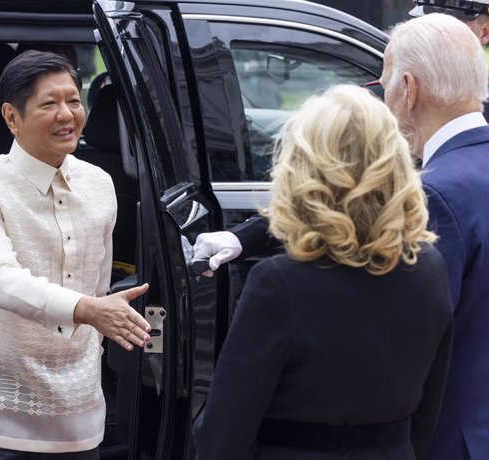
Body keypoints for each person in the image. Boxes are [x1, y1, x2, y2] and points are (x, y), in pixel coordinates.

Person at [192, 84, 454, 460]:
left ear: (302, 169)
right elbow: (428, 413)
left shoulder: (280, 284)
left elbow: (224, 434)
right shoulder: (430, 268)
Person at [0, 50, 152, 459]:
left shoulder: (101, 184)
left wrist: (95, 311)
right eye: (49, 104)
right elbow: (1, 281)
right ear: (11, 117)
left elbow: (98, 283)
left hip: (80, 411)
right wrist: (89, 309)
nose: (67, 114)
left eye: (73, 100)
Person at [192, 0, 489, 271]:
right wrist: (244, 237)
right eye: (430, 24)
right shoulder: (374, 104)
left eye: (449, 27)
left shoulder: (448, 167)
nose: (439, 37)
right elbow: (329, 189)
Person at [380, 13, 489, 460]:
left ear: (409, 89)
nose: (383, 96)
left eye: (384, 84)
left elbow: (409, 345)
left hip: (450, 440)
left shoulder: (434, 193)